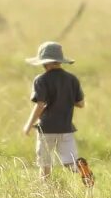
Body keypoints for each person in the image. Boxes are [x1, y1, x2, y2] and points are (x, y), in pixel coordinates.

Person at [21, 41, 93, 186]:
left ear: (44, 63)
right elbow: (80, 103)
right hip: (66, 129)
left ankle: (45, 189)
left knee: (45, 163)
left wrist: (28, 125)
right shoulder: (72, 79)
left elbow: (40, 105)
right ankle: (82, 169)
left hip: (46, 129)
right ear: (60, 61)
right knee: (70, 162)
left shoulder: (41, 80)